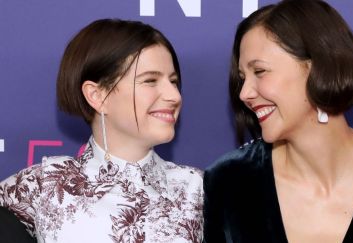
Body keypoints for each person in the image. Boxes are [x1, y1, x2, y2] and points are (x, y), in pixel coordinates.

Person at [202, 0, 353, 242]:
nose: (244, 93)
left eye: (259, 72)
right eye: (242, 78)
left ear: (318, 68)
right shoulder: (230, 181)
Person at [0, 19, 203, 242]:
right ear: (97, 96)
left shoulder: (198, 189)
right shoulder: (43, 184)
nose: (174, 96)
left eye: (173, 81)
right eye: (150, 81)